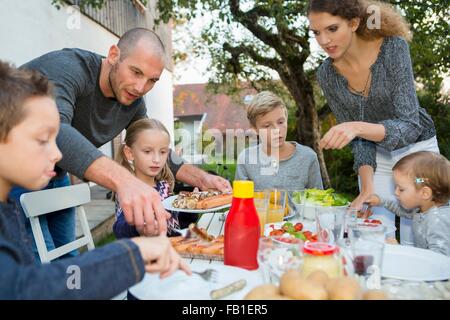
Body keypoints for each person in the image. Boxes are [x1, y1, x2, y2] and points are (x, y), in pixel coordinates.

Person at [8, 28, 231, 260]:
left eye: (152, 80)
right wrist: (125, 182)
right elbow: (55, 131)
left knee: (67, 261)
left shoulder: (133, 100)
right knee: (37, 265)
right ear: (114, 55)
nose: (140, 87)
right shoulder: (67, 68)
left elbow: (152, 142)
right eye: (135, 72)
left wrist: (202, 179)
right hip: (13, 175)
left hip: (54, 175)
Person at [0, 60, 191, 299]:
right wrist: (131, 254)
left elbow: (54, 278)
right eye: (42, 139)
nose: (59, 155)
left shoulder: (7, 210)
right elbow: (27, 290)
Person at [308, 0, 439, 245]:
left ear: (354, 23)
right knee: (376, 236)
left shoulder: (393, 49)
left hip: (418, 152)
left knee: (422, 237)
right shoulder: (327, 74)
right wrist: (367, 187)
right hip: (375, 159)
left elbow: (410, 125)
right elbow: (359, 142)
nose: (324, 40)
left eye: (332, 29)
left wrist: (357, 127)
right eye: (316, 32)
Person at [364, 152, 450, 256]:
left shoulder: (437, 221)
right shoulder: (422, 208)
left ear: (424, 193)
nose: (396, 192)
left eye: (401, 189)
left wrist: (401, 251)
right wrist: (380, 201)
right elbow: (402, 210)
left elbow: (440, 260)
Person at [235, 91, 323, 190]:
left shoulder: (308, 157)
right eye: (267, 126)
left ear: (286, 119)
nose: (276, 130)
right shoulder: (246, 159)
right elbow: (241, 202)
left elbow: (319, 202)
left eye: (280, 122)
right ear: (255, 129)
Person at [113, 118, 180, 239]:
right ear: (130, 153)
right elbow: (120, 230)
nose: (157, 159)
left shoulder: (164, 186)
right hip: (143, 255)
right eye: (148, 151)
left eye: (163, 152)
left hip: (172, 252)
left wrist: (191, 208)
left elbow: (175, 225)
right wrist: (138, 227)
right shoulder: (128, 191)